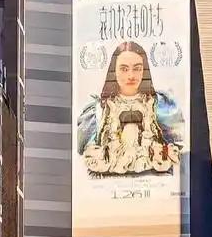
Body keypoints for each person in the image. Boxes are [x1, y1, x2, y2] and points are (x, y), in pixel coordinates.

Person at [79, 42, 184, 176]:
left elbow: (179, 144)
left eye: (137, 68)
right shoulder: (99, 109)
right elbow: (82, 150)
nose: (131, 76)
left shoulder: (159, 104)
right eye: (124, 69)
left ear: (144, 70)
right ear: (114, 71)